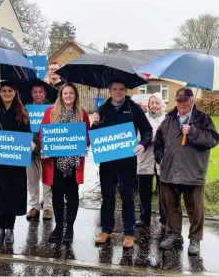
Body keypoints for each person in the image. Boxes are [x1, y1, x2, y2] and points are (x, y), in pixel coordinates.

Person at [154, 87, 218, 255]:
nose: (182, 103)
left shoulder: (202, 119)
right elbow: (158, 140)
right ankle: (174, 234)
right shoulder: (168, 119)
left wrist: (194, 132)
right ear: (176, 101)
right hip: (169, 172)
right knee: (170, 206)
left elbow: (212, 140)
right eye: (179, 100)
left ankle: (195, 239)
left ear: (192, 100)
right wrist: (160, 157)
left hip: (193, 172)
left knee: (195, 208)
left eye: (185, 100)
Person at [91, 80, 152, 249]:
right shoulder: (102, 109)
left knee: (128, 197)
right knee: (107, 197)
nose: (118, 92)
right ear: (109, 91)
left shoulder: (133, 108)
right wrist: (94, 123)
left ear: (126, 90)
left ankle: (129, 233)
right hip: (107, 161)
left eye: (122, 89)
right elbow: (95, 136)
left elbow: (147, 130)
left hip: (127, 161)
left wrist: (143, 144)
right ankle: (106, 230)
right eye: (115, 89)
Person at [0, 81, 33, 244]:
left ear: (15, 92)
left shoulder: (22, 112)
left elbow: (27, 134)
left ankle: (10, 228)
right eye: (3, 91)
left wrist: (30, 144)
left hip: (14, 162)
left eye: (10, 90)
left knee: (12, 195)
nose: (6, 93)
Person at [40, 82, 90, 244]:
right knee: (57, 195)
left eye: (71, 93)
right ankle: (59, 226)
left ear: (76, 96)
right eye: (65, 93)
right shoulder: (51, 112)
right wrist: (45, 148)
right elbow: (43, 134)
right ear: (60, 95)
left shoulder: (82, 113)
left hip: (74, 164)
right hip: (55, 163)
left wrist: (83, 146)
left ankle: (69, 228)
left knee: (72, 194)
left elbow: (87, 137)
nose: (68, 96)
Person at [136, 92, 166, 229]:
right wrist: (145, 140)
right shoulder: (143, 117)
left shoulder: (167, 119)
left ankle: (164, 218)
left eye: (157, 102)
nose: (154, 105)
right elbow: (137, 136)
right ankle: (144, 217)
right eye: (151, 103)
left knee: (164, 190)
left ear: (161, 104)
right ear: (148, 104)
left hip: (162, 158)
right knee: (144, 190)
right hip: (145, 157)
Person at [26, 82, 54, 221]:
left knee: (47, 181)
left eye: (40, 92)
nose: (38, 95)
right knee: (32, 181)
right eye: (35, 92)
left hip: (46, 150)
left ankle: (48, 208)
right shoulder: (25, 108)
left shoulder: (52, 108)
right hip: (30, 150)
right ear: (31, 94)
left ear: (45, 93)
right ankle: (34, 206)